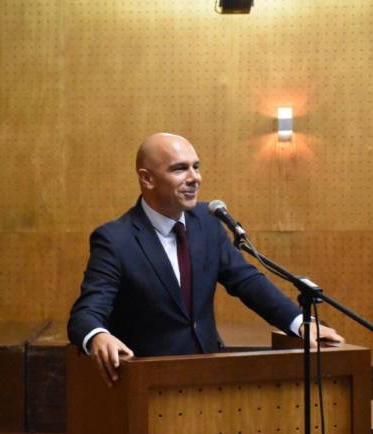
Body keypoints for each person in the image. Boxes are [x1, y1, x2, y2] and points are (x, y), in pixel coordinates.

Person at [67, 132, 345, 387]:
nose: (194, 177)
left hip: (209, 375)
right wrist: (97, 336)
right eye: (179, 169)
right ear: (147, 178)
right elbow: (85, 313)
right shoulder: (116, 239)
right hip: (149, 384)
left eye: (196, 166)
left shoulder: (208, 223)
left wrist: (299, 322)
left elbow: (247, 281)